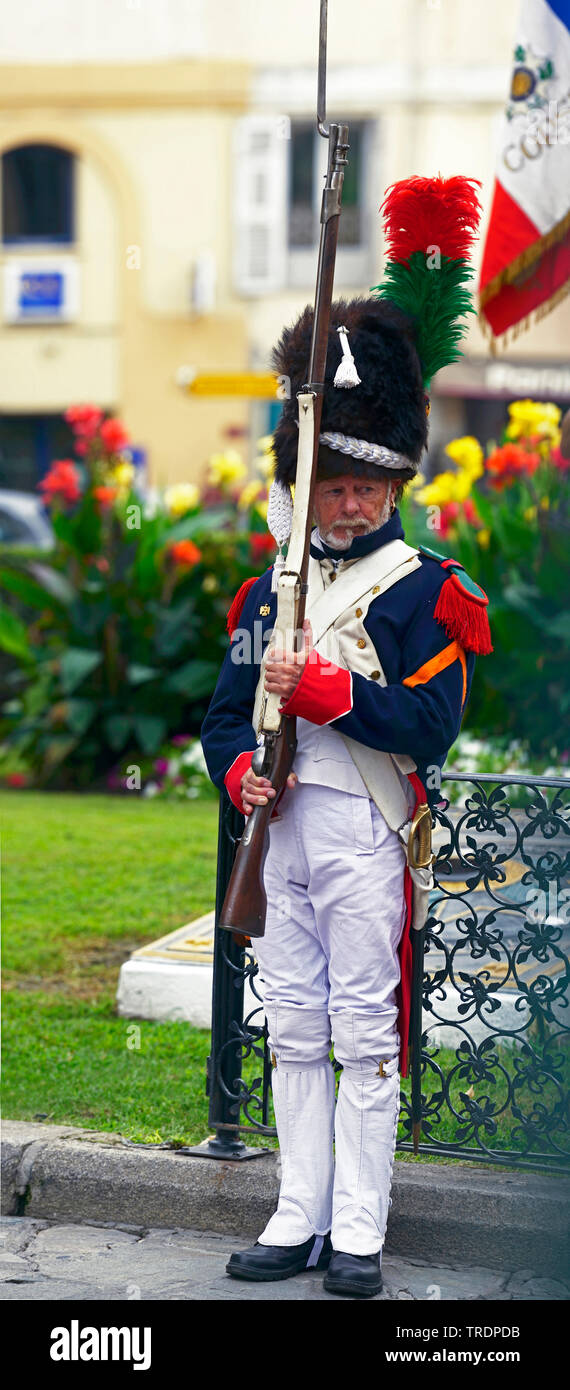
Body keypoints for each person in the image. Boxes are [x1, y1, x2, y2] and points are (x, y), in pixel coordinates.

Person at [201, 177, 492, 1298]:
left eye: (372, 483)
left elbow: (430, 727)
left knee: (365, 1034)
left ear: (398, 480)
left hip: (371, 831)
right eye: (333, 482)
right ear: (305, 482)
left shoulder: (432, 594)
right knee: (294, 1027)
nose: (352, 503)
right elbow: (228, 718)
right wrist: (240, 772)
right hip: (281, 834)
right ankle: (295, 1211)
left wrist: (325, 691)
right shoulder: (261, 594)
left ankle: (359, 1230)